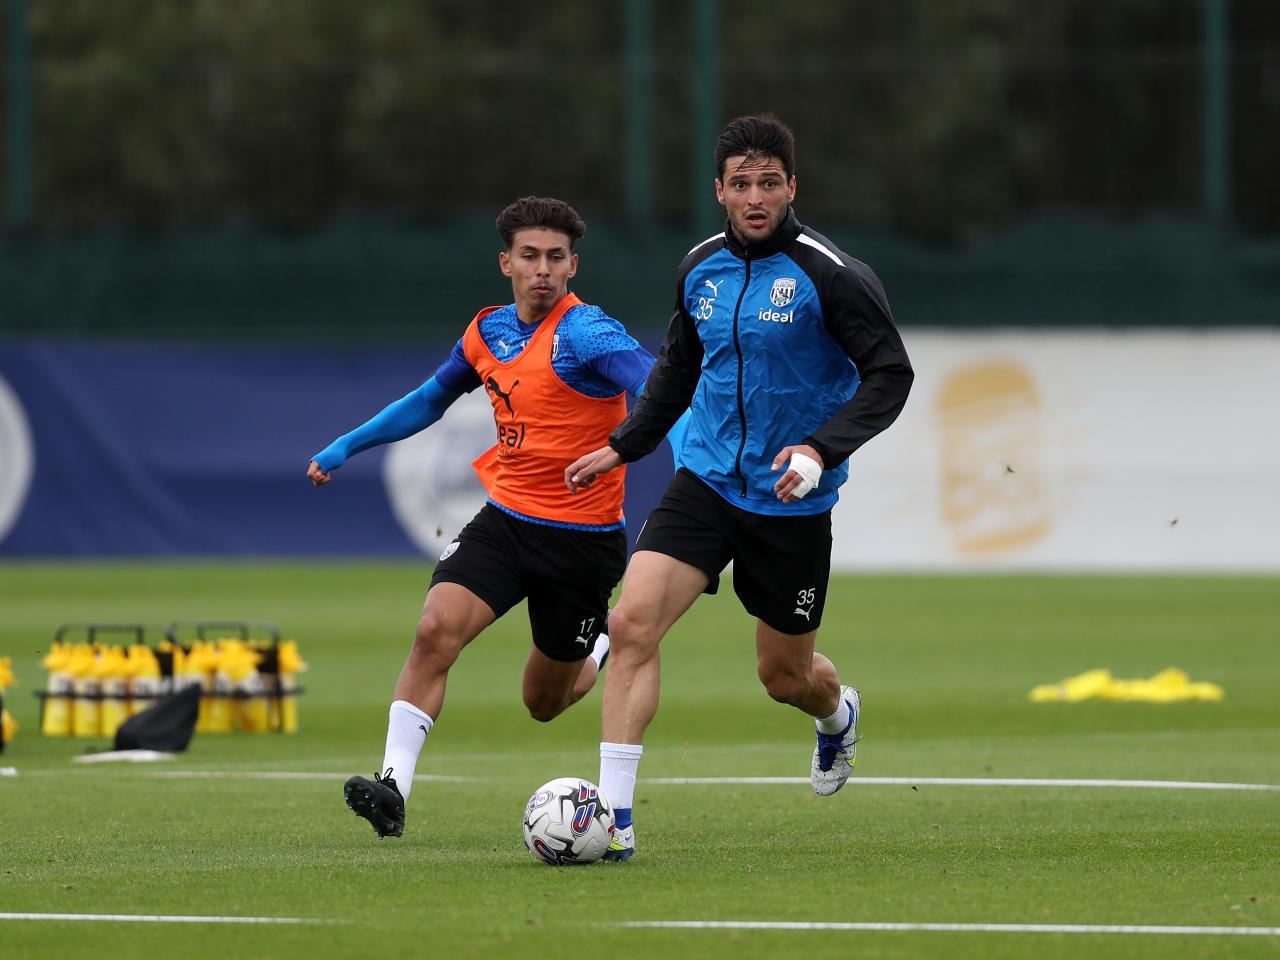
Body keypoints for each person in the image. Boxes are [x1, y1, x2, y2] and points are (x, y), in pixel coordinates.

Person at [565, 115, 914, 861]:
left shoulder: (832, 275)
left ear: (792, 187)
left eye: (769, 182)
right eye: (741, 183)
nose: (755, 197)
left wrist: (821, 451)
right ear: (719, 190)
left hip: (792, 500)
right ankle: (613, 822)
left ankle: (837, 715)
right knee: (630, 625)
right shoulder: (700, 270)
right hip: (707, 482)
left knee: (785, 678)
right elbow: (677, 371)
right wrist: (624, 445)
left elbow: (891, 375)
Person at [309, 196, 681, 839]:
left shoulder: (589, 333)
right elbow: (429, 400)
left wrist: (662, 467)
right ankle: (393, 785)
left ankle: (600, 642)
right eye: (530, 256)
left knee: (544, 703)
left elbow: (659, 388)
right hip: (505, 522)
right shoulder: (487, 331)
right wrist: (347, 444)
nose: (543, 269)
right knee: (433, 631)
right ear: (506, 262)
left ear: (573, 265)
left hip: (584, 543)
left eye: (556, 258)